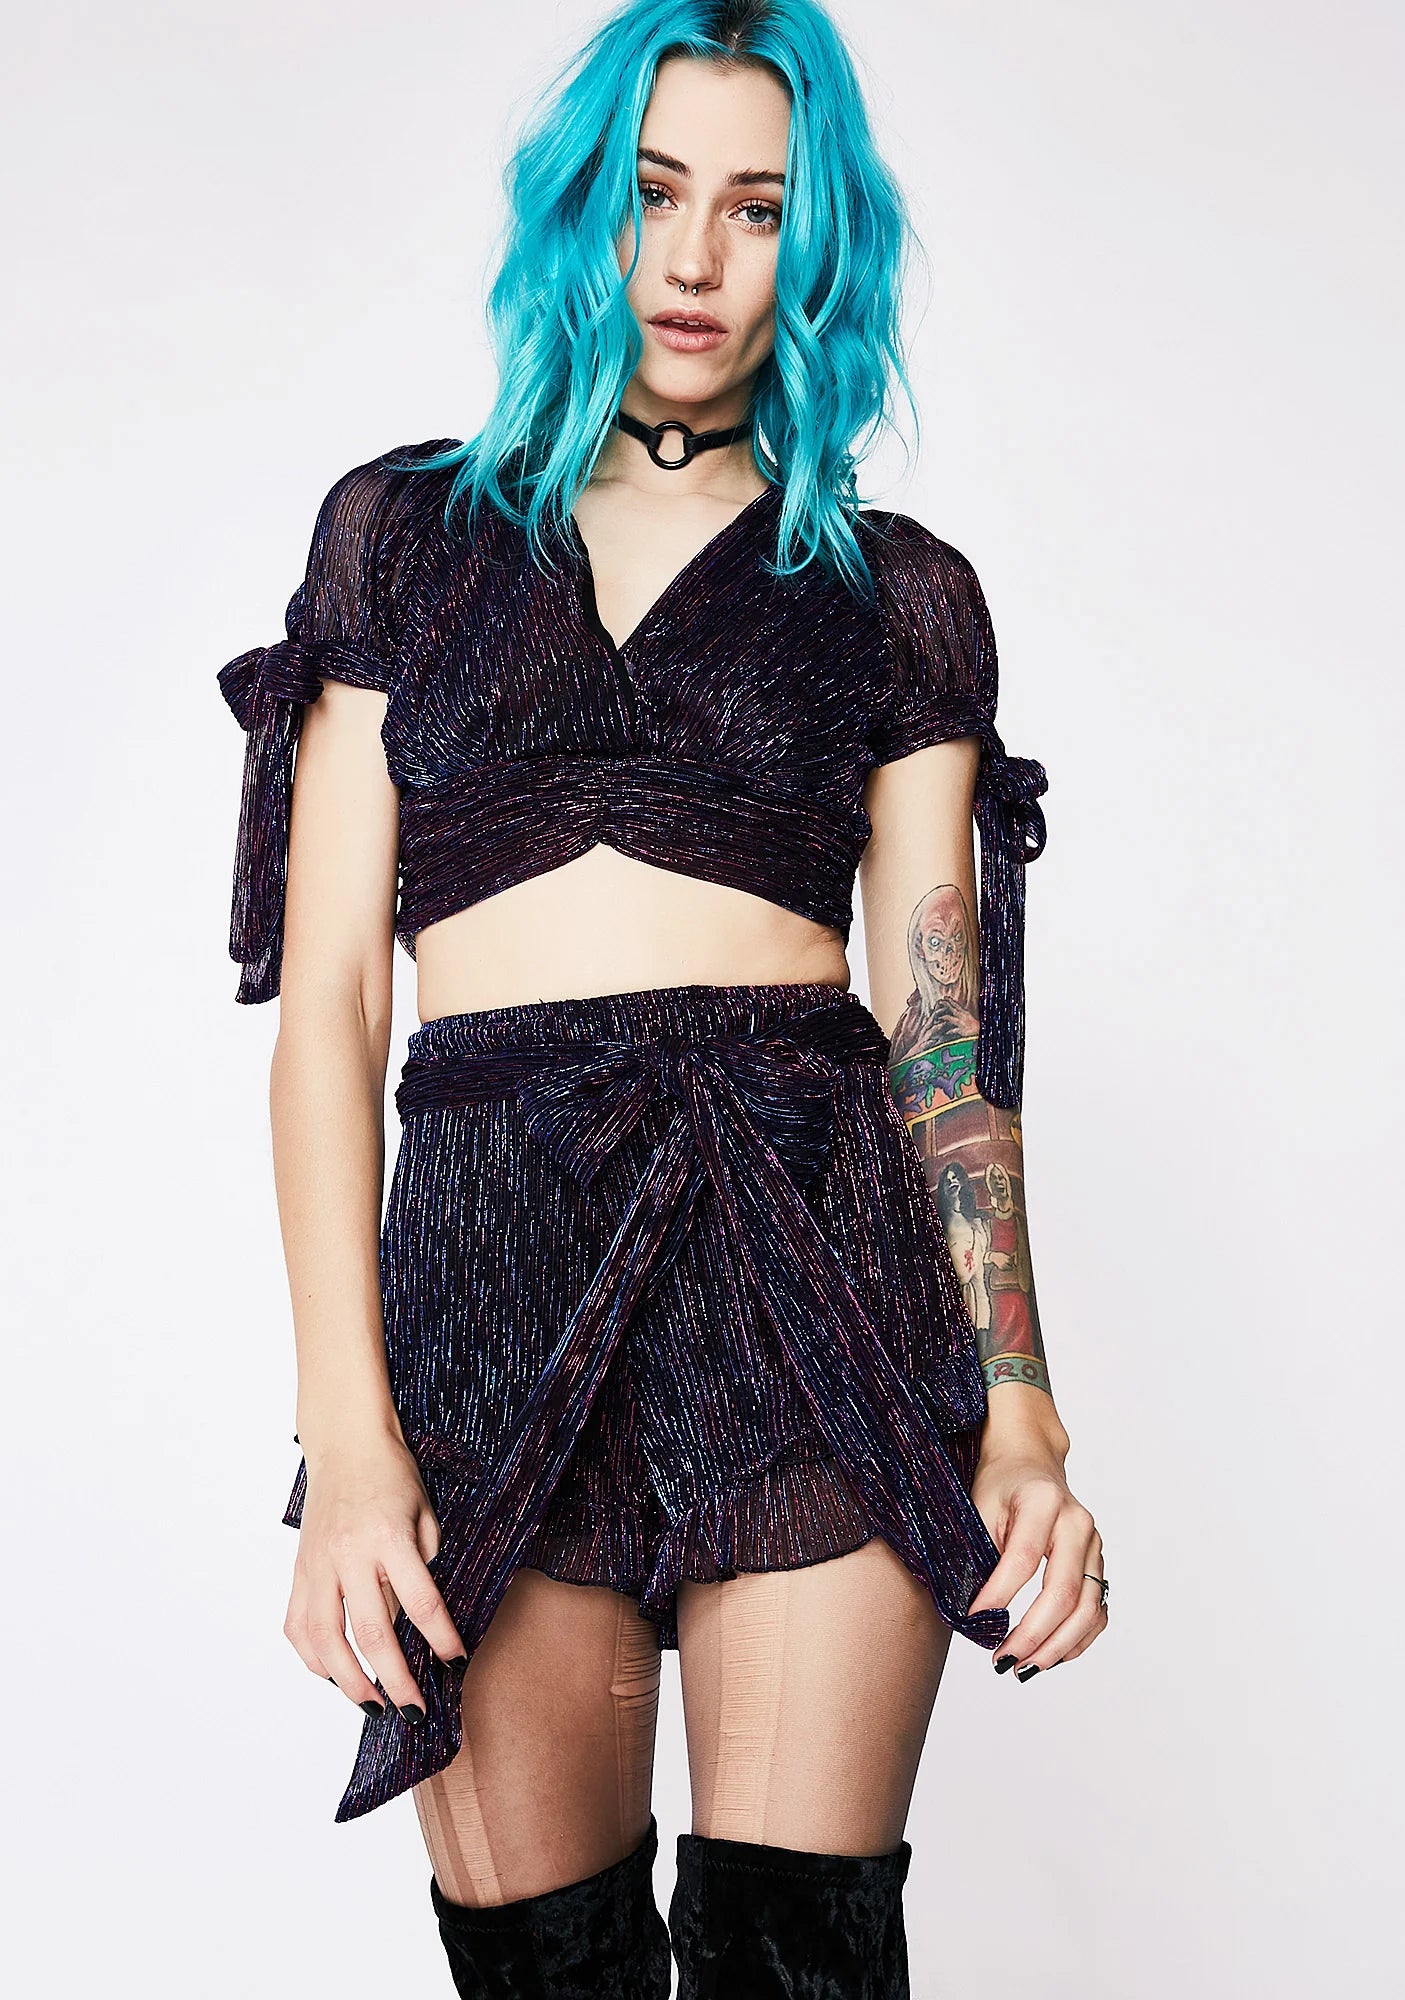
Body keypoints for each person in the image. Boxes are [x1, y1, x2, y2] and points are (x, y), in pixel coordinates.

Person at [216, 2, 1109, 1992]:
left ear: (818, 244)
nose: (697, 255)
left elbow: (941, 1043)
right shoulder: (403, 538)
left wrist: (1022, 1413)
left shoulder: (893, 593)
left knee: (800, 1958)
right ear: (581, 215)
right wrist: (347, 1436)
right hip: (489, 1286)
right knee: (547, 1965)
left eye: (758, 207)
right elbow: (333, 1010)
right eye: (655, 194)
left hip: (810, 1262)